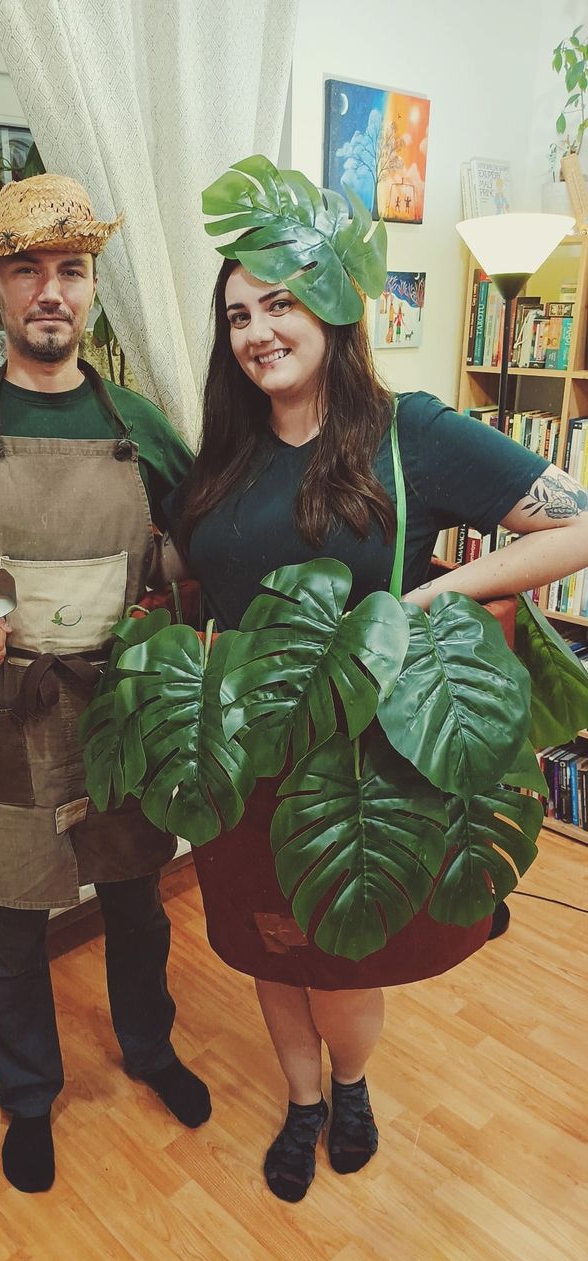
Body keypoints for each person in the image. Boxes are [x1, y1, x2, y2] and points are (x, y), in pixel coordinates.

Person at [163, 157, 588, 1203]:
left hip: (355, 762)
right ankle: (299, 1100)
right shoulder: (222, 454)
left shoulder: (411, 435)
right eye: (237, 315)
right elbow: (201, 579)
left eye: (278, 301)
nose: (258, 330)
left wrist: (443, 596)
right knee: (270, 949)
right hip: (244, 754)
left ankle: (350, 1086)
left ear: (330, 303)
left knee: (339, 956)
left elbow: (576, 523)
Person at [0, 173, 209, 1195]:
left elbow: (200, 550)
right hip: (1, 714)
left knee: (138, 902)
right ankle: (28, 1099)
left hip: (118, 714)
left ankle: (148, 1049)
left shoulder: (143, 424)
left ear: (91, 289)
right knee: (10, 924)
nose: (50, 291)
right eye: (27, 270)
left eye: (70, 269)